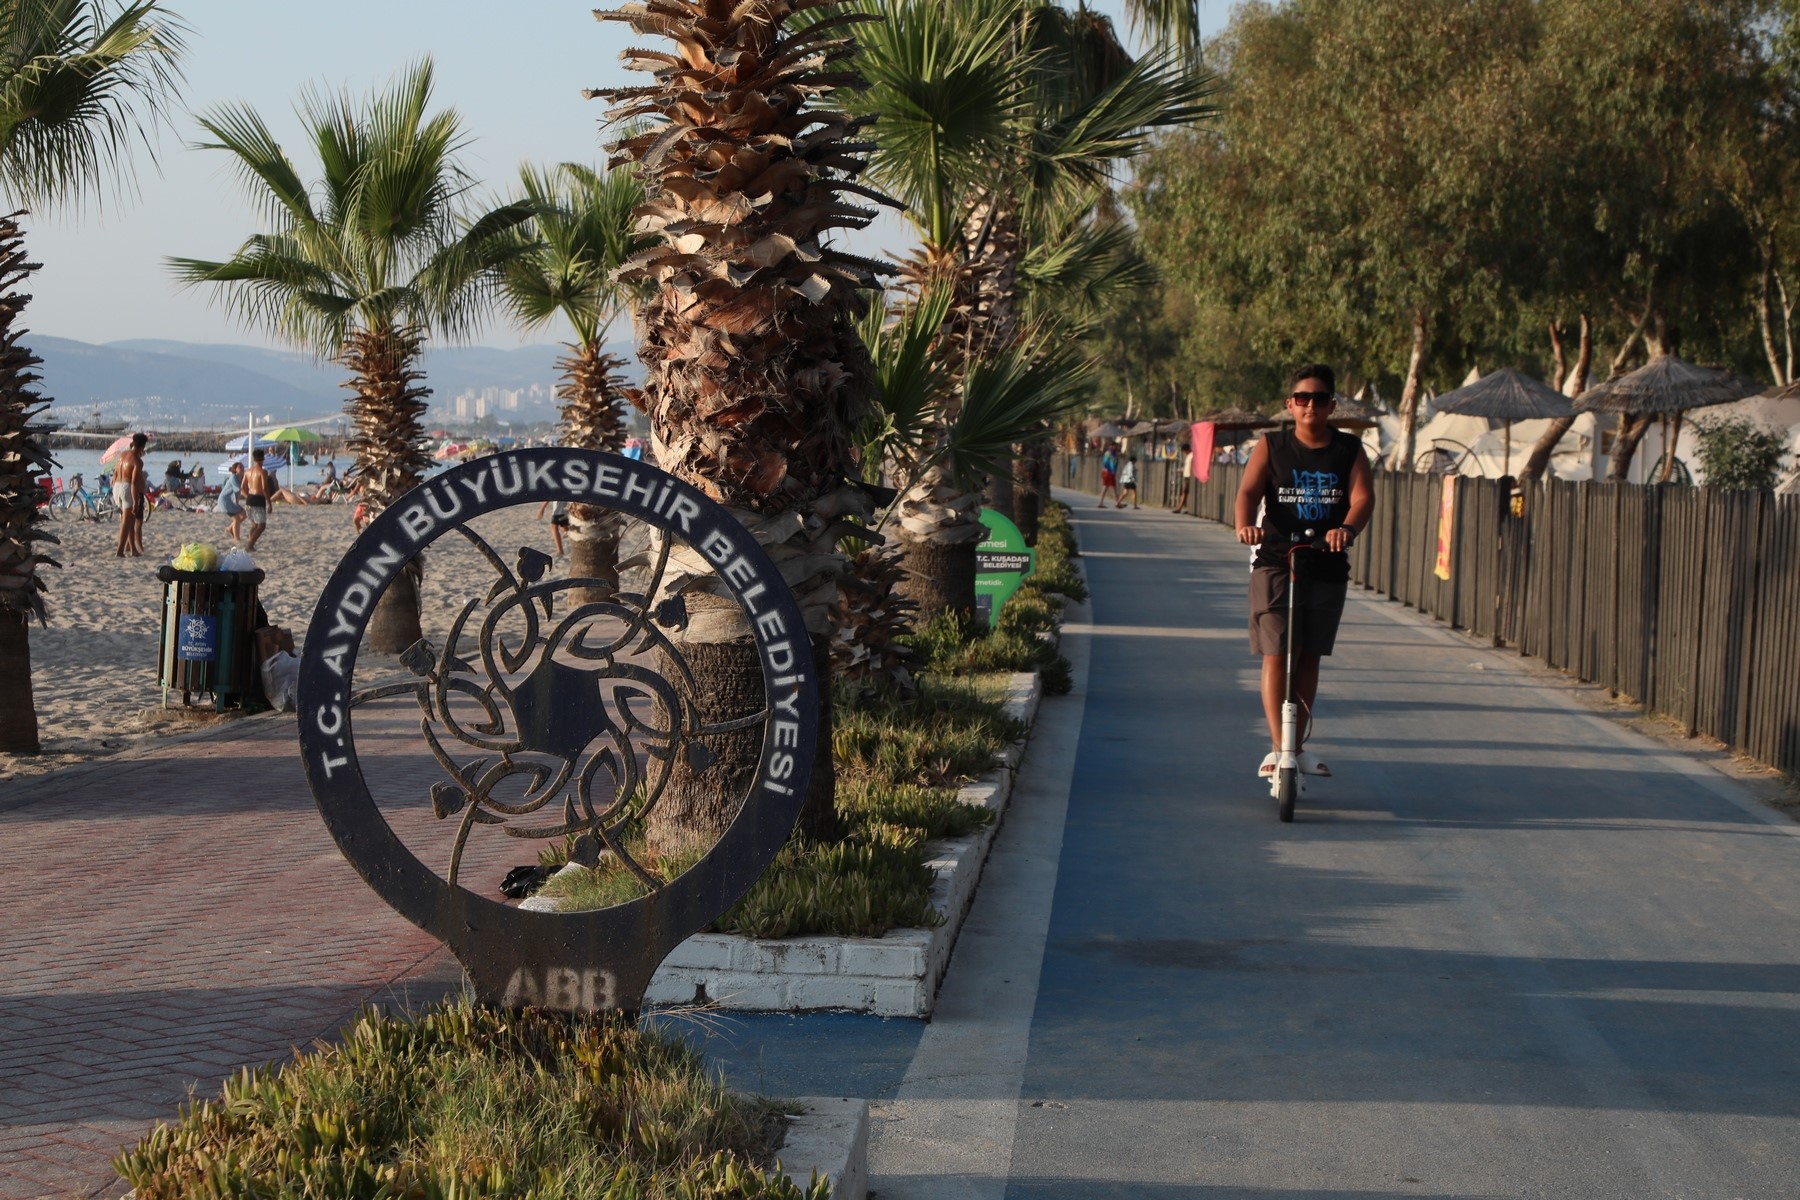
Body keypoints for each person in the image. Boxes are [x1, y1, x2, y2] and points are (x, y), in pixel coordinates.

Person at [1234, 364, 1374, 780]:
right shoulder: (1272, 445)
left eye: (1319, 398)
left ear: (1332, 405)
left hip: (1326, 562)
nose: (1310, 405)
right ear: (1289, 405)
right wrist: (1246, 525)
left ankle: (1296, 747)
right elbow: (1247, 491)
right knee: (1277, 653)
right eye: (1302, 398)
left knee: (1309, 655)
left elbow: (1362, 498)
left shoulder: (1349, 449)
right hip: (1276, 560)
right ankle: (1280, 751)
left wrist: (1346, 529)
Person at [113, 433, 148, 557]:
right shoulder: (137, 461)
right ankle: (120, 551)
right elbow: (133, 483)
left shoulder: (122, 455)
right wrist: (135, 501)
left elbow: (115, 474)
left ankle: (133, 549)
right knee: (126, 521)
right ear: (142, 446)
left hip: (116, 486)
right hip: (127, 488)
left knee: (130, 521)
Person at [242, 448, 273, 552]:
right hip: (258, 499)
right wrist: (269, 503)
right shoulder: (263, 471)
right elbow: (264, 488)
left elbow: (242, 488)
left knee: (255, 525)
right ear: (263, 458)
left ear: (254, 459)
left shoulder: (247, 471)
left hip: (249, 498)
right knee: (261, 526)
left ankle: (250, 543)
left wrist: (248, 496)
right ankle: (249, 545)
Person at [219, 462, 246, 543]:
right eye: (239, 467)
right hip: (225, 500)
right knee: (237, 518)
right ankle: (236, 538)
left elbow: (237, 493)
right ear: (235, 469)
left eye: (242, 466)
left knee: (244, 514)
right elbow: (239, 490)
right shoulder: (233, 478)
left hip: (230, 500)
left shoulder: (241, 478)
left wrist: (237, 502)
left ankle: (230, 528)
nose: (242, 468)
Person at [1098, 442, 1120, 507]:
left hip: (1106, 472)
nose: (1116, 448)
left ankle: (1101, 503)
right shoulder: (1110, 453)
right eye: (1115, 446)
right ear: (1112, 446)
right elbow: (1111, 463)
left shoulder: (1111, 453)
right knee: (1113, 487)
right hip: (1109, 472)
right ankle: (1118, 502)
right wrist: (1116, 457)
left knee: (1105, 487)